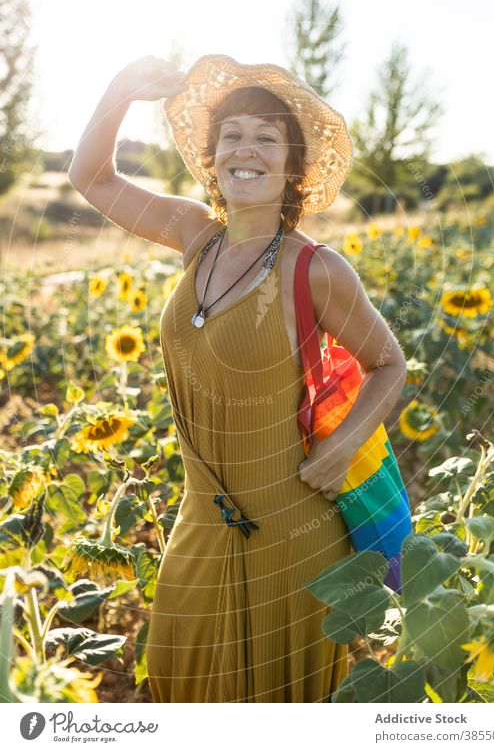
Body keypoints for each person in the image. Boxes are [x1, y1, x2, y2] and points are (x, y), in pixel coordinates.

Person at [68, 53, 407, 703]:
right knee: (180, 685)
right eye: (231, 134)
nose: (244, 148)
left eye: (265, 136)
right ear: (212, 155)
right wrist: (118, 91)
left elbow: (387, 360)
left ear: (291, 163)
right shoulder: (194, 233)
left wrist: (341, 446)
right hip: (200, 519)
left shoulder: (316, 269)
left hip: (294, 531)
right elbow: (92, 177)